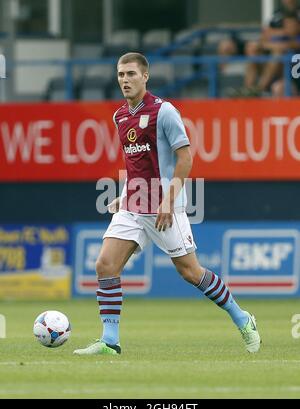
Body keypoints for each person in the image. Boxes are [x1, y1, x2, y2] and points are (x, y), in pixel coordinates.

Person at [73, 52, 261, 356]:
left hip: (165, 207)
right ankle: (109, 341)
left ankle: (243, 318)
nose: (125, 79)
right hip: (134, 205)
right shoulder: (119, 116)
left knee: (190, 272)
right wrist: (126, 192)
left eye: (131, 74)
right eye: (121, 74)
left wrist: (167, 200)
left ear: (145, 77)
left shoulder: (165, 111)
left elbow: (185, 158)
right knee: (105, 265)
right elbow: (136, 163)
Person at [243, 0, 300, 96]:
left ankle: (259, 89)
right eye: (286, 24)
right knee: (253, 49)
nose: (288, 26)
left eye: (291, 24)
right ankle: (247, 90)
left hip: (293, 77)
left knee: (278, 52)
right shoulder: (282, 33)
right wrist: (266, 44)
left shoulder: (295, 38)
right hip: (275, 71)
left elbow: (285, 46)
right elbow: (264, 37)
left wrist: (269, 45)